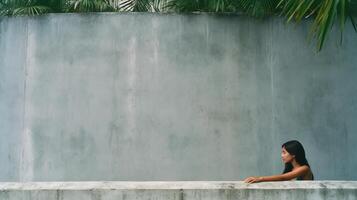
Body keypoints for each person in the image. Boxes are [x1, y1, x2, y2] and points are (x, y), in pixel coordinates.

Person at [244, 140, 314, 183]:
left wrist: (260, 178)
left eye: (284, 152)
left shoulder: (304, 168)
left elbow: (282, 178)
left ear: (293, 154)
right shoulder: (290, 169)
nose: (282, 155)